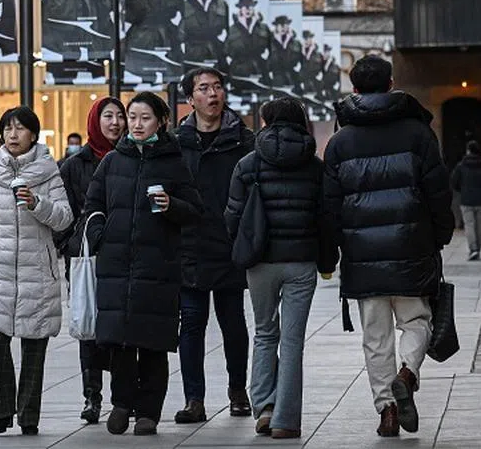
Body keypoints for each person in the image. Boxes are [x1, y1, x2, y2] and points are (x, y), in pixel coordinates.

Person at [323, 56, 454, 437]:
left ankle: (387, 411)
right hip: (413, 244)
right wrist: (441, 233)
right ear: (392, 83)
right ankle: (408, 372)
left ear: (355, 89)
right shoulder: (418, 132)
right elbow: (438, 190)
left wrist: (333, 248)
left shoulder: (340, 141)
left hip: (362, 253)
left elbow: (330, 204)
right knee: (416, 321)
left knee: (376, 337)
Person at [84, 92, 203, 436]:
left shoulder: (173, 161)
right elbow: (93, 203)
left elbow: (195, 211)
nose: (135, 124)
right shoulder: (112, 161)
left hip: (158, 265)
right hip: (116, 265)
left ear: (161, 121)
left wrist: (172, 206)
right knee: (120, 342)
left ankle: (149, 410)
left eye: (144, 118)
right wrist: (99, 233)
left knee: (152, 342)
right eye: (131, 116)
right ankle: (122, 403)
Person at [226, 98, 337, 439]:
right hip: (301, 262)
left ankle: (264, 407)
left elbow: (232, 216)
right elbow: (327, 219)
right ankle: (286, 419)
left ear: (266, 122)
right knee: (292, 341)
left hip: (260, 262)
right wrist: (326, 260)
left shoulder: (248, 164)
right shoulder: (315, 167)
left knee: (264, 332)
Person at [0, 107, 73, 436]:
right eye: (8, 128)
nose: (13, 135)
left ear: (33, 135)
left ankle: (28, 416)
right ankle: (2, 411)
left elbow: (64, 217)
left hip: (36, 271)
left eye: (20, 129)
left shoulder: (49, 172)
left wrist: (38, 203)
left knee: (34, 345)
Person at [173, 67, 256, 424]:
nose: (213, 94)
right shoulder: (177, 142)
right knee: (191, 323)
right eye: (203, 89)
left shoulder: (244, 140)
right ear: (190, 99)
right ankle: (194, 399)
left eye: (218, 87)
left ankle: (238, 391)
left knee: (233, 321)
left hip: (228, 244)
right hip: (188, 243)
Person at [54, 96, 127, 425]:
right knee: (88, 324)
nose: (115, 122)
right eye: (107, 116)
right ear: (94, 121)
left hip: (126, 254)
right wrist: (69, 243)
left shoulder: (132, 157)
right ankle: (91, 396)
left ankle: (123, 396)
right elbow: (62, 210)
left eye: (119, 116)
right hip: (86, 257)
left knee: (122, 326)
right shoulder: (75, 164)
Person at [450, 140, 481, 260]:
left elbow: (454, 182)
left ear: (468, 151)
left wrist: (463, 190)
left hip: (466, 201)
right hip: (480, 201)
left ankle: (473, 249)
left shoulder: (461, 166)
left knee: (469, 225)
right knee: (479, 227)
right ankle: (478, 249)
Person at [182, 0, 229, 67]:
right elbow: (180, 32)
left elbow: (230, 30)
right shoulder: (186, 5)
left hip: (216, 51)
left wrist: (224, 49)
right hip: (193, 53)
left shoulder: (221, 4)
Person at [266, 16, 302, 92]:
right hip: (276, 77)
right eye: (279, 25)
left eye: (285, 25)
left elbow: (301, 62)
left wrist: (286, 43)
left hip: (292, 78)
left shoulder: (296, 44)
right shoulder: (269, 42)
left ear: (288, 27)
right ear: (276, 27)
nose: (282, 28)